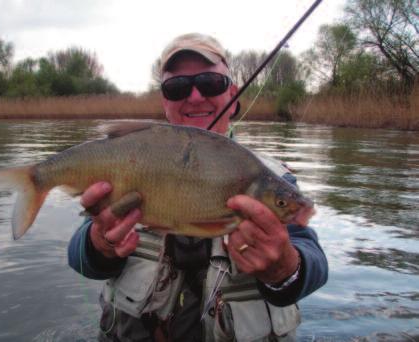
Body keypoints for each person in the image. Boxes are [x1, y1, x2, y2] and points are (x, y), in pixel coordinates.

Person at [68, 33, 328, 342]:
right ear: (165, 101)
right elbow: (79, 258)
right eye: (177, 88)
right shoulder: (131, 162)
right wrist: (100, 245)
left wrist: (285, 266)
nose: (194, 97)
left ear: (232, 94)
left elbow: (315, 263)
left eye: (209, 83)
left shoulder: (271, 178)